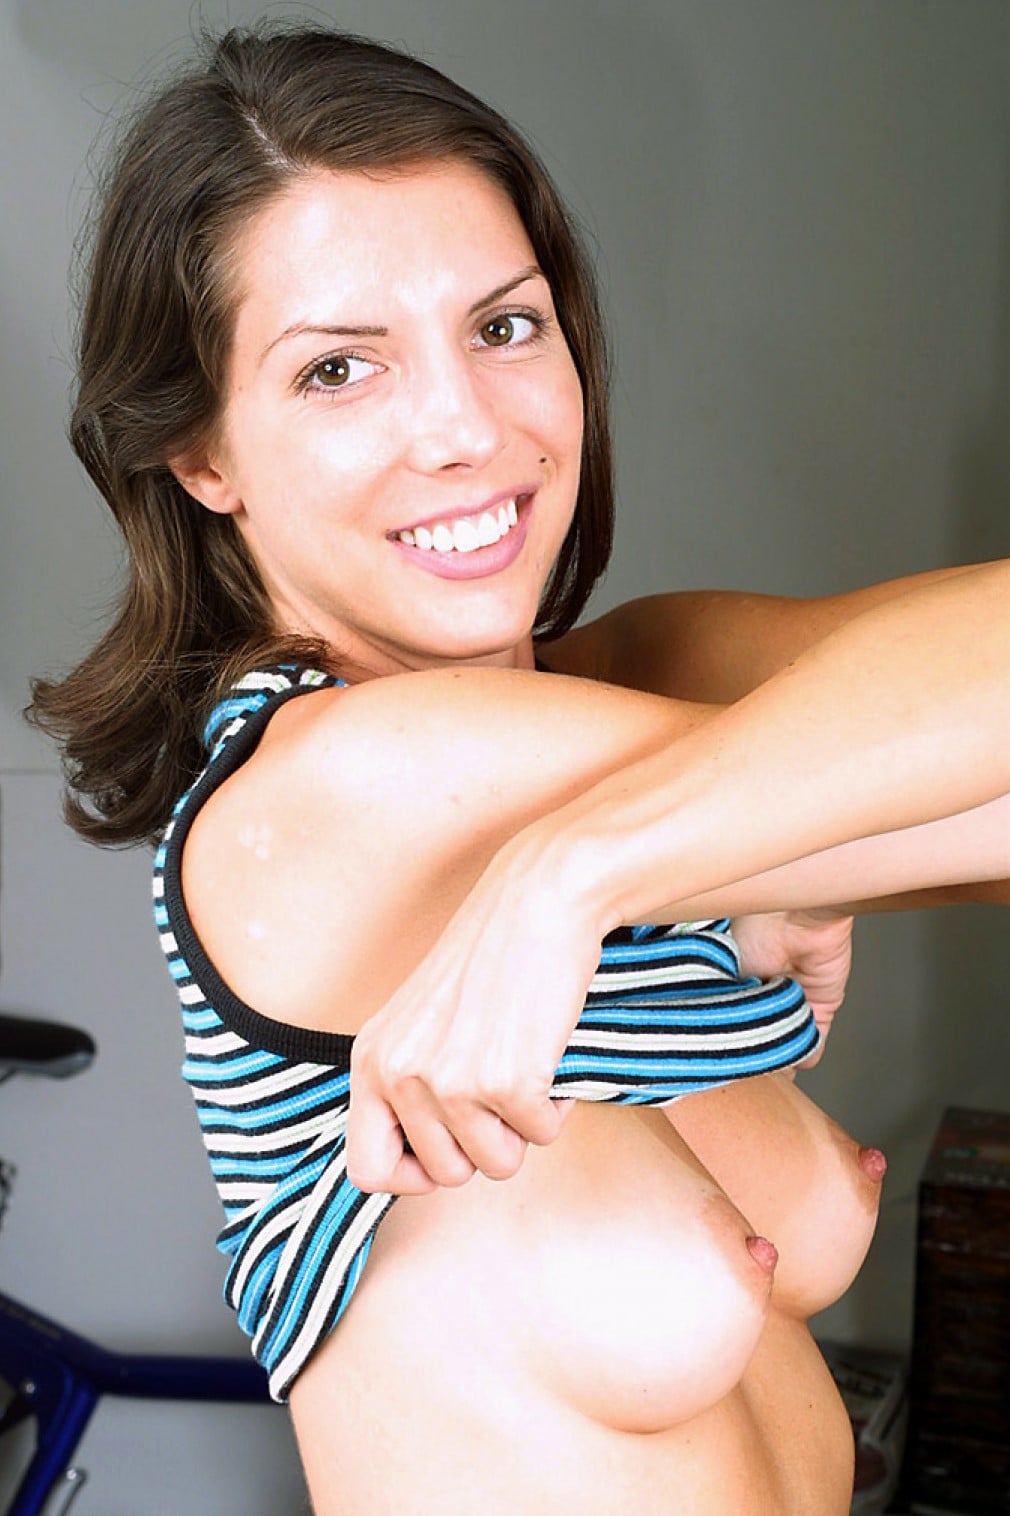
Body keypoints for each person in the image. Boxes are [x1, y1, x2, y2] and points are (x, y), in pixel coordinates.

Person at [27, 22, 1007, 1515]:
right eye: (338, 368)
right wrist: (673, 847)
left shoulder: (644, 687)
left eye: (503, 328)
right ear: (203, 454)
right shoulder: (325, 787)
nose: (465, 429)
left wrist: (610, 862)